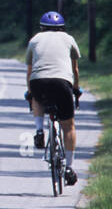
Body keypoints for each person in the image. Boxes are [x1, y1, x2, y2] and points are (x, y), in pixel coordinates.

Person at [26, 10, 82, 186]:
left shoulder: (34, 40)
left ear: (42, 28)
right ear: (62, 28)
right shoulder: (69, 39)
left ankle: (39, 130)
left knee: (35, 97)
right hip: (62, 82)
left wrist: (30, 91)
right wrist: (76, 89)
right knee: (69, 126)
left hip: (38, 81)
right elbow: (75, 70)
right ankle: (69, 168)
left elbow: (30, 71)